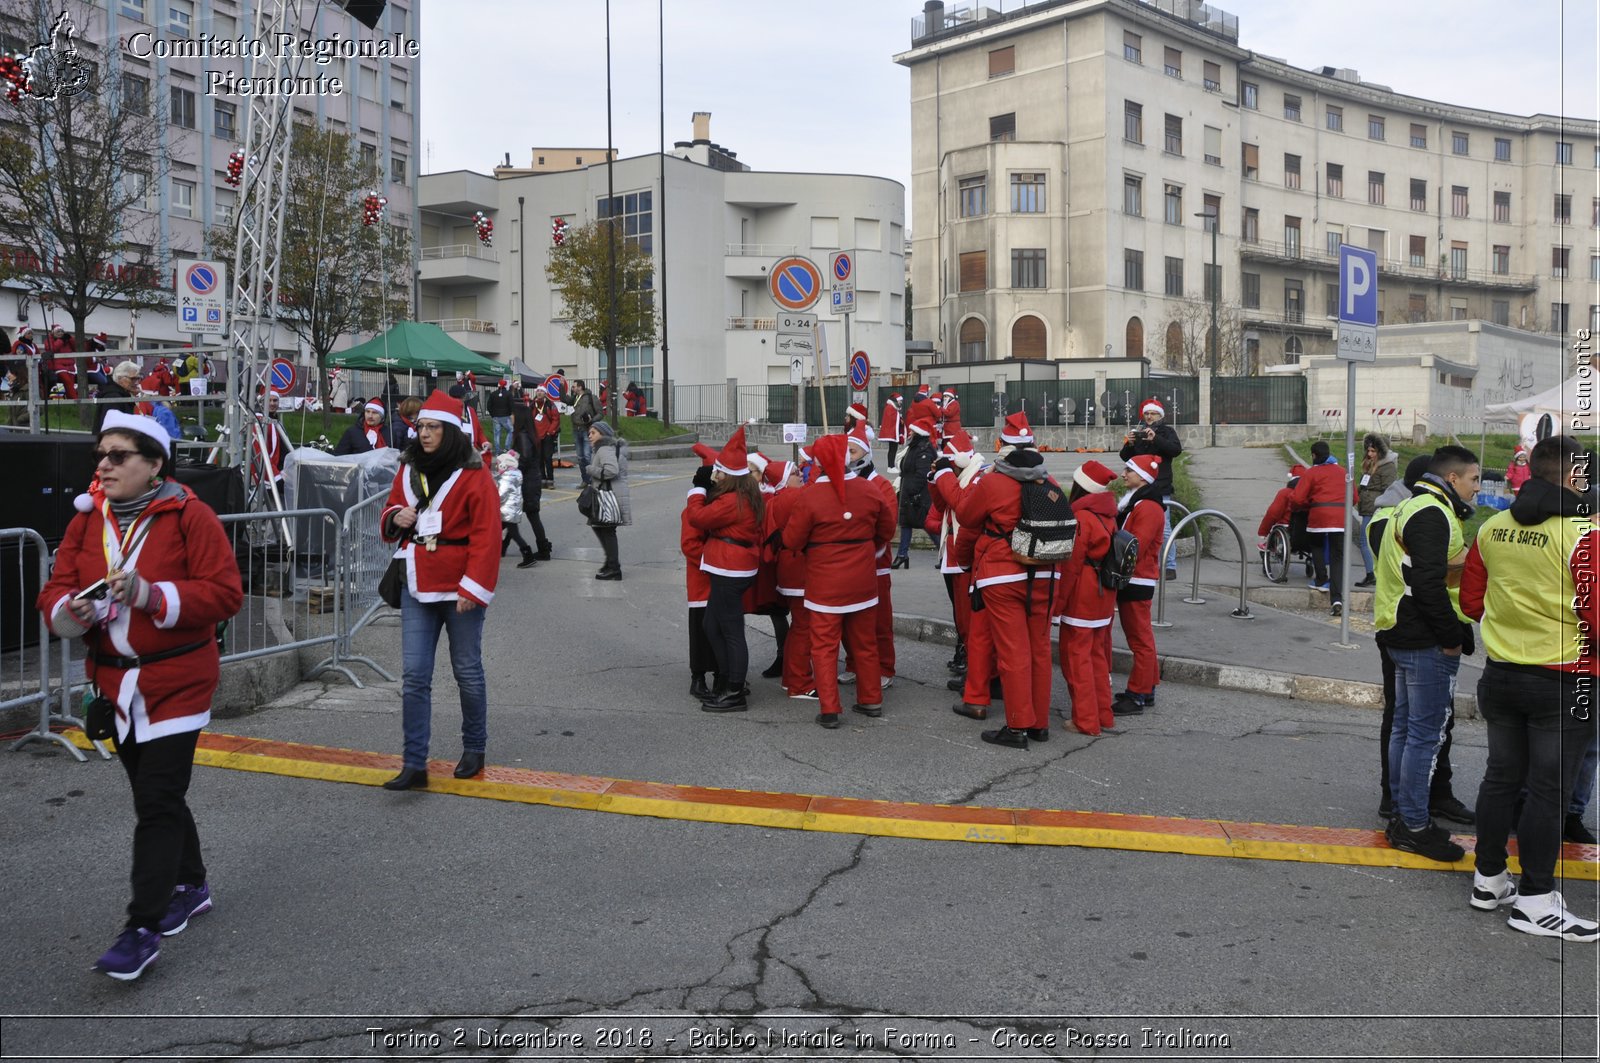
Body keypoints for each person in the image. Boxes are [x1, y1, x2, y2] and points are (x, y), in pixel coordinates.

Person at [38, 410, 243, 980]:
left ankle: (141, 929)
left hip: (177, 681)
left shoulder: (190, 517)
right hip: (113, 684)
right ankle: (193, 883)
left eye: (118, 455)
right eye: (100, 455)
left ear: (154, 465)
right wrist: (69, 612)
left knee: (155, 801)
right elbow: (56, 587)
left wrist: (153, 594)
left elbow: (225, 594)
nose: (103, 465)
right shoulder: (87, 520)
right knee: (159, 796)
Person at [1458, 434, 1599, 940]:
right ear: (1573, 477)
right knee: (1548, 792)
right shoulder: (1584, 532)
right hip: (1563, 679)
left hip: (1500, 673)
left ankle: (1489, 879)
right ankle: (1537, 900)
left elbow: (1471, 601)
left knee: (1501, 780)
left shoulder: (1493, 527)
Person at [378, 391, 502, 791]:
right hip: (417, 579)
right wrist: (396, 516)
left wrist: (473, 587)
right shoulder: (408, 467)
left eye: (433, 427)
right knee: (415, 675)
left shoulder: (475, 473)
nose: (425, 433)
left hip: (461, 585)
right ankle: (414, 763)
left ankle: (474, 747)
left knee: (466, 670)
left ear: (449, 432)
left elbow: (487, 536)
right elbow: (391, 508)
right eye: (422, 427)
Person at [1375, 445, 1480, 863]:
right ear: (1452, 479)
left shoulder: (1413, 506)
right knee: (1424, 734)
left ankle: (1404, 817)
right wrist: (1452, 636)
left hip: (1401, 632)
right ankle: (1415, 825)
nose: (1477, 488)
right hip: (1421, 638)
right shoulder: (1432, 513)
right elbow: (1428, 585)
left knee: (1405, 729)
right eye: (1474, 479)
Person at [957, 412, 1063, 748]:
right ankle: (1039, 724)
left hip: (1003, 575)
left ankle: (1017, 726)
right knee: (1040, 650)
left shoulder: (993, 482)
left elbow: (966, 516)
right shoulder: (1050, 484)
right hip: (1046, 572)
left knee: (1013, 653)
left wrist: (986, 477)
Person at [782, 434, 894, 728]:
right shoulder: (869, 490)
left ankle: (830, 708)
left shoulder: (809, 496)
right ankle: (870, 699)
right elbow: (886, 528)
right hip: (863, 582)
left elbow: (792, 539)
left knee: (824, 646)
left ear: (817, 462)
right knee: (865, 643)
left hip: (825, 584)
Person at [686, 428, 765, 712]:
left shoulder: (733, 501)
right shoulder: (746, 494)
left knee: (730, 630)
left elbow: (698, 518)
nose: (715, 478)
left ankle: (733, 689)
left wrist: (696, 489)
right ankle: (729, 679)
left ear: (730, 475)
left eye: (719, 473)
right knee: (712, 625)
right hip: (731, 568)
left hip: (731, 570)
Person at [1057, 459, 1119, 737]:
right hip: (1103, 596)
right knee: (1097, 659)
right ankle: (1104, 714)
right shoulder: (1109, 515)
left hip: (1082, 597)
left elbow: (1070, 566)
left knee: (1077, 660)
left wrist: (1058, 605)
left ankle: (1085, 720)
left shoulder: (1081, 518)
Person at [1115, 454, 1167, 714]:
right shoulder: (1141, 503)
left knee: (1140, 640)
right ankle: (1147, 688)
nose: (1123, 474)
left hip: (1137, 578)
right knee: (1141, 637)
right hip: (1137, 577)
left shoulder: (1147, 507)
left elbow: (1135, 547)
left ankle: (1137, 694)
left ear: (1143, 477)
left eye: (1129, 470)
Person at [1119, 398, 1183, 579]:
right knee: (1136, 524)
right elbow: (1126, 458)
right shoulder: (1139, 432)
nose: (1149, 416)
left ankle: (1169, 566)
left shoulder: (1167, 431)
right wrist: (1129, 444)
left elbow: (1175, 450)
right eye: (1146, 413)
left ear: (1160, 415)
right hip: (1139, 487)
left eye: (1152, 413)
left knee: (1165, 528)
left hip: (1161, 486)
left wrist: (1156, 439)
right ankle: (1138, 562)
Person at [682, 443, 721, 701]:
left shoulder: (720, 506)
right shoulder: (693, 511)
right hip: (702, 580)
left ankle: (721, 674)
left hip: (720, 579)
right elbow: (689, 545)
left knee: (721, 630)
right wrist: (716, 560)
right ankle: (698, 678)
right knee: (701, 631)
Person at [1292, 440, 1350, 614]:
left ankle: (1321, 579)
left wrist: (1306, 504)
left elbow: (1297, 498)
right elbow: (1354, 497)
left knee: (1316, 545)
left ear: (1314, 455)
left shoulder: (1312, 473)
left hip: (1319, 516)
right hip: (1341, 519)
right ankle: (1337, 598)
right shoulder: (1344, 472)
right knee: (1337, 557)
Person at [585, 420, 631, 579]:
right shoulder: (606, 447)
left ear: (602, 434)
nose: (589, 436)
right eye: (589, 433)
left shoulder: (604, 448)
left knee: (607, 529)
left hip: (608, 494)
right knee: (600, 526)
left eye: (593, 433)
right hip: (611, 492)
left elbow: (611, 470)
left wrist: (590, 469)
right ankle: (610, 562)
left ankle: (614, 568)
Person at [509, 402, 553, 564]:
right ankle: (541, 548)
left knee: (527, 515)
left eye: (512, 415)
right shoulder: (528, 433)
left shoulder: (522, 436)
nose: (510, 418)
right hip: (531, 480)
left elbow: (524, 460)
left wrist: (510, 466)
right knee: (520, 516)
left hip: (528, 482)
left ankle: (540, 550)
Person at [892, 416, 936, 568]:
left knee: (926, 524)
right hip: (909, 492)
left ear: (918, 433)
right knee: (906, 523)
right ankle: (902, 555)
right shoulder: (914, 447)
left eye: (911, 431)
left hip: (918, 495)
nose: (909, 433)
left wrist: (911, 490)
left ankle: (945, 554)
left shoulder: (923, 450)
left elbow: (922, 474)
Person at [1354, 434, 1397, 588]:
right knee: (1366, 541)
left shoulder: (1387, 466)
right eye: (1368, 450)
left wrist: (1380, 506)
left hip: (1376, 509)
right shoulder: (1370, 464)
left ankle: (1372, 574)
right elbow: (1364, 484)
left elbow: (1389, 489)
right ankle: (1371, 574)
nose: (1370, 454)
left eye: (1373, 451)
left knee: (1365, 541)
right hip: (1367, 507)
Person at [493, 452, 536, 568]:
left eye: (498, 464)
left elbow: (501, 495)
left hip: (508, 510)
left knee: (513, 533)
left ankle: (528, 554)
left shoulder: (506, 478)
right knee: (500, 528)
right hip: (512, 509)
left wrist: (492, 500)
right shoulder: (514, 475)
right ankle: (501, 549)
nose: (497, 466)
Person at [92, 360, 142, 434]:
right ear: (119, 378)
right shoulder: (113, 397)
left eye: (138, 379)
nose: (136, 382)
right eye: (133, 379)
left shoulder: (121, 394)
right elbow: (112, 428)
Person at [570, 379, 600, 485]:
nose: (572, 388)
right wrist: (560, 386)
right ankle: (585, 480)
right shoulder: (574, 398)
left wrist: (591, 420)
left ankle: (592, 479)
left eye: (574, 386)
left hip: (586, 430)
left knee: (587, 456)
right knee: (580, 457)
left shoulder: (591, 398)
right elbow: (564, 399)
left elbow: (600, 413)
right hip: (576, 429)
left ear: (580, 387)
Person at [531, 387, 561, 487]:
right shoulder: (532, 404)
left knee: (548, 458)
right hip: (537, 436)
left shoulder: (550, 404)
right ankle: (542, 479)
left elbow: (556, 419)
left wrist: (550, 432)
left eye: (541, 391)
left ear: (545, 393)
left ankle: (550, 480)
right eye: (538, 391)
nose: (539, 393)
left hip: (547, 435)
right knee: (539, 458)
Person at [45, 323, 78, 398]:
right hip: (58, 366)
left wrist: (70, 339)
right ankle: (76, 400)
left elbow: (76, 348)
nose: (60, 333)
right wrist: (61, 341)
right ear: (53, 333)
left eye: (61, 331)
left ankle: (71, 402)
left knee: (70, 385)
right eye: (58, 332)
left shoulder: (67, 341)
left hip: (71, 366)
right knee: (68, 382)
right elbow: (51, 349)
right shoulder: (49, 340)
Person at [486, 378, 515, 453]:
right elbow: (512, 406)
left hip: (495, 416)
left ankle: (497, 451)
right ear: (505, 385)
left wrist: (492, 415)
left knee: (497, 434)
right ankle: (507, 448)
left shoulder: (493, 394)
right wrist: (511, 413)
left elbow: (488, 406)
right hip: (506, 416)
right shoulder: (509, 394)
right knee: (511, 430)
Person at [879, 393, 904, 468]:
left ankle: (891, 465)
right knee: (892, 450)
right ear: (896, 400)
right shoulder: (890, 408)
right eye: (900, 401)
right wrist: (899, 420)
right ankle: (891, 466)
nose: (901, 402)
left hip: (894, 432)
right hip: (892, 432)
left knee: (893, 449)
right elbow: (892, 419)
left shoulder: (894, 408)